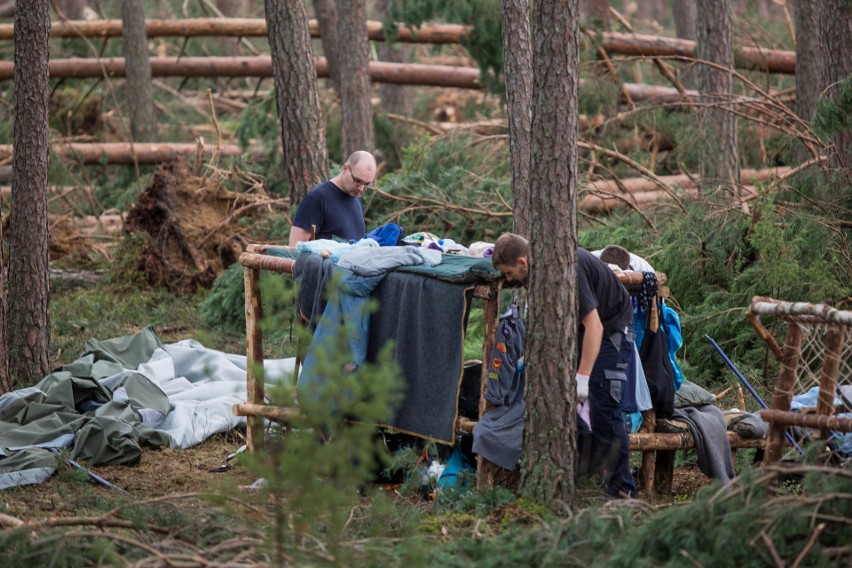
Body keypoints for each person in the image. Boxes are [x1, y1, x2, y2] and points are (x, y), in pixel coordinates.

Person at [491, 233, 637, 498]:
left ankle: (622, 493)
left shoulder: (569, 269)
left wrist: (582, 377)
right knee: (563, 403)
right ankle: (586, 473)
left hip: (612, 328)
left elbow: (594, 326)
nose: (508, 280)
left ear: (523, 262)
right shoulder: (540, 272)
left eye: (509, 273)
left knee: (605, 409)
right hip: (584, 330)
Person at [288, 151, 377, 246]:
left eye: (367, 184)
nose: (361, 188)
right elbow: (294, 248)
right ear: (345, 169)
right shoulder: (317, 198)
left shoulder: (356, 198)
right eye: (357, 181)